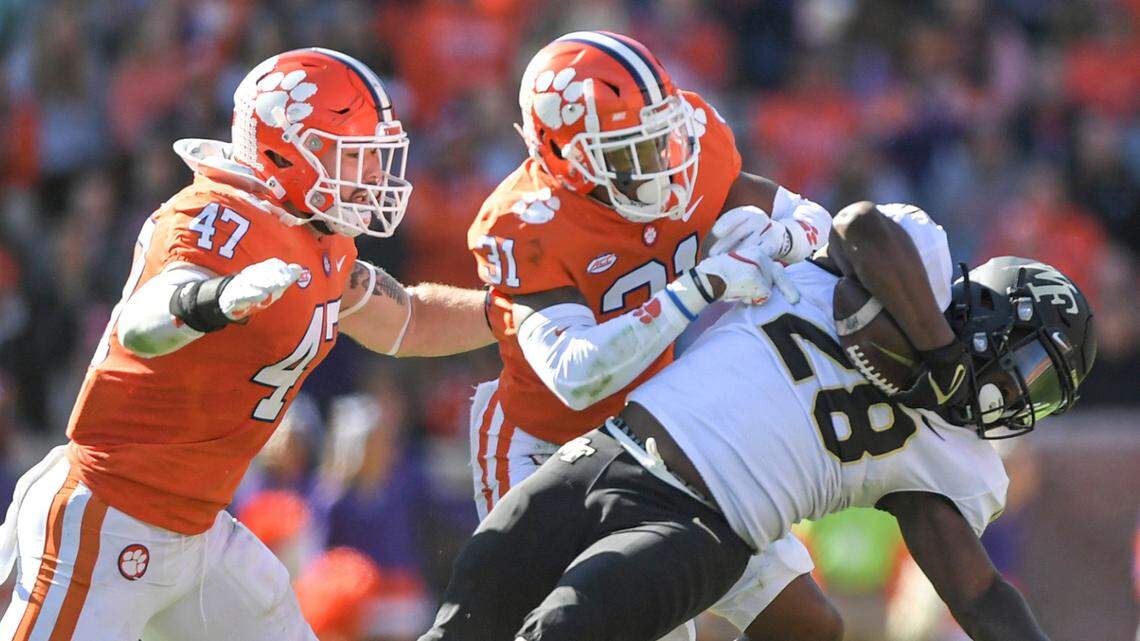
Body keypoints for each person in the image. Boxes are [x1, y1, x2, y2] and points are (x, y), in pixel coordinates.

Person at [421, 201, 1097, 641]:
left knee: (565, 628)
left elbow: (979, 594)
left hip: (699, 526)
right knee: (467, 618)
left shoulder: (948, 454)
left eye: (1042, 395)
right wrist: (940, 354)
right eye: (1030, 371)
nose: (1018, 397)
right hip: (606, 450)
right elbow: (859, 224)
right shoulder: (912, 262)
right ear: (993, 314)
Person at [0, 48, 493, 641]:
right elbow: (143, 322)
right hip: (109, 516)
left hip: (198, 531)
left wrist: (514, 314)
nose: (370, 177)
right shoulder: (217, 217)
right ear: (286, 151)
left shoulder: (319, 240)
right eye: (352, 157)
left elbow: (408, 319)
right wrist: (218, 299)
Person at [466, 30, 833, 640]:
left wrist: (781, 241)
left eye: (660, 137)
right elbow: (577, 375)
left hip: (662, 426)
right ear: (564, 158)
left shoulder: (691, 142)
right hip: (545, 444)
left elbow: (810, 218)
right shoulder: (521, 222)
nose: (664, 162)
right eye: (630, 151)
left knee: (808, 624)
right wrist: (701, 287)